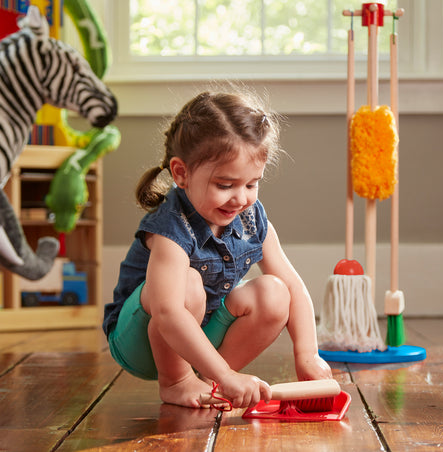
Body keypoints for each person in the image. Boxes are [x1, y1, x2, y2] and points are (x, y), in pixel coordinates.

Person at [103, 90, 332, 409]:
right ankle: (177, 381)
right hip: (141, 341)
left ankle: (209, 382)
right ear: (181, 173)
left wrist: (308, 355)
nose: (240, 198)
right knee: (189, 283)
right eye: (225, 185)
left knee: (276, 293)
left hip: (200, 337)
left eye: (251, 184)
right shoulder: (170, 227)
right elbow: (168, 312)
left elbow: (293, 286)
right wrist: (227, 374)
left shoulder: (251, 218)